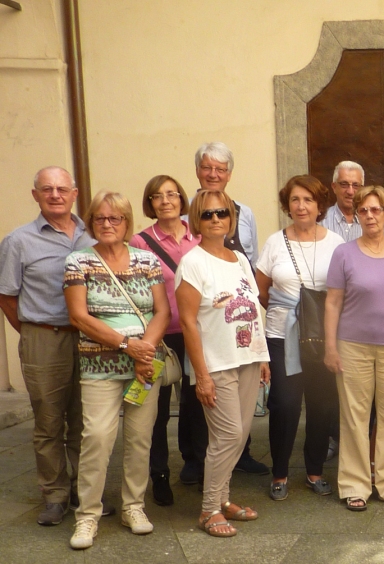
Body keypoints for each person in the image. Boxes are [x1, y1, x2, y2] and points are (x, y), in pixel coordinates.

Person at [63, 192, 170, 549]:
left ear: (127, 223)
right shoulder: (79, 261)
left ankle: (134, 507)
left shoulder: (146, 259)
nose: (107, 224)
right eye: (100, 219)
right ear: (91, 223)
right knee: (96, 438)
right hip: (99, 364)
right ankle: (88, 516)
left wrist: (145, 351)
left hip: (143, 366)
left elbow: (162, 311)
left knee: (140, 439)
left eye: (115, 219)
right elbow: (79, 317)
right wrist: (127, 345)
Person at [0, 167, 93, 526]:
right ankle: (55, 494)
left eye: (62, 189)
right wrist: (31, 331)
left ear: (74, 194)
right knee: (49, 421)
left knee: (87, 419)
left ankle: (86, 493)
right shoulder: (18, 241)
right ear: (35, 195)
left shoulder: (93, 234)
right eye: (47, 189)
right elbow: (7, 296)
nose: (55, 195)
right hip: (43, 336)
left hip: (90, 339)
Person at [176, 189, 271, 538]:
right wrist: (201, 375)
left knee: (241, 434)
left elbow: (252, 307)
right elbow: (188, 323)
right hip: (215, 364)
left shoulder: (239, 258)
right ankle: (209, 509)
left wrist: (261, 356)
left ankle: (223, 498)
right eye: (207, 214)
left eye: (222, 213)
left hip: (247, 358)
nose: (216, 219)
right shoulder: (193, 262)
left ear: (232, 218)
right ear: (196, 221)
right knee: (227, 435)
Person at [324, 186, 384, 510]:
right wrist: (330, 347)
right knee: (354, 418)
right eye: (364, 210)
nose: (370, 216)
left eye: (376, 210)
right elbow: (333, 302)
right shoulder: (344, 253)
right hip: (352, 346)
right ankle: (355, 485)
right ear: (357, 215)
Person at [255, 175, 343, 501]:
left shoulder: (335, 243)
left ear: (320, 205)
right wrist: (288, 313)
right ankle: (279, 472)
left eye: (308, 199)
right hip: (282, 336)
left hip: (323, 337)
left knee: (322, 405)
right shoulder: (275, 243)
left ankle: (315, 470)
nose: (301, 206)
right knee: (286, 404)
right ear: (287, 205)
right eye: (295, 200)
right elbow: (260, 290)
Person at [193, 142, 268, 476]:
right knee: (209, 410)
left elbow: (247, 264)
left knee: (236, 421)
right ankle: (199, 468)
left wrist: (261, 352)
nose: (213, 174)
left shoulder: (245, 215)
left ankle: (235, 464)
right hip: (203, 320)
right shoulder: (189, 217)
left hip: (238, 329)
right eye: (207, 168)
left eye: (220, 169)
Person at [129, 175, 201, 507]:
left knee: (197, 402)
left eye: (172, 194)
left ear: (182, 199)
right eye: (157, 196)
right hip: (158, 336)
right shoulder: (140, 242)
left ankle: (197, 465)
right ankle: (159, 474)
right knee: (156, 408)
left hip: (196, 333)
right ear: (150, 203)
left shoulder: (198, 236)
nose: (166, 200)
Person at [321, 160, 384, 241]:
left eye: (356, 185)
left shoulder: (377, 223)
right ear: (334, 187)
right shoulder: (322, 221)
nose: (350, 192)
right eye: (344, 184)